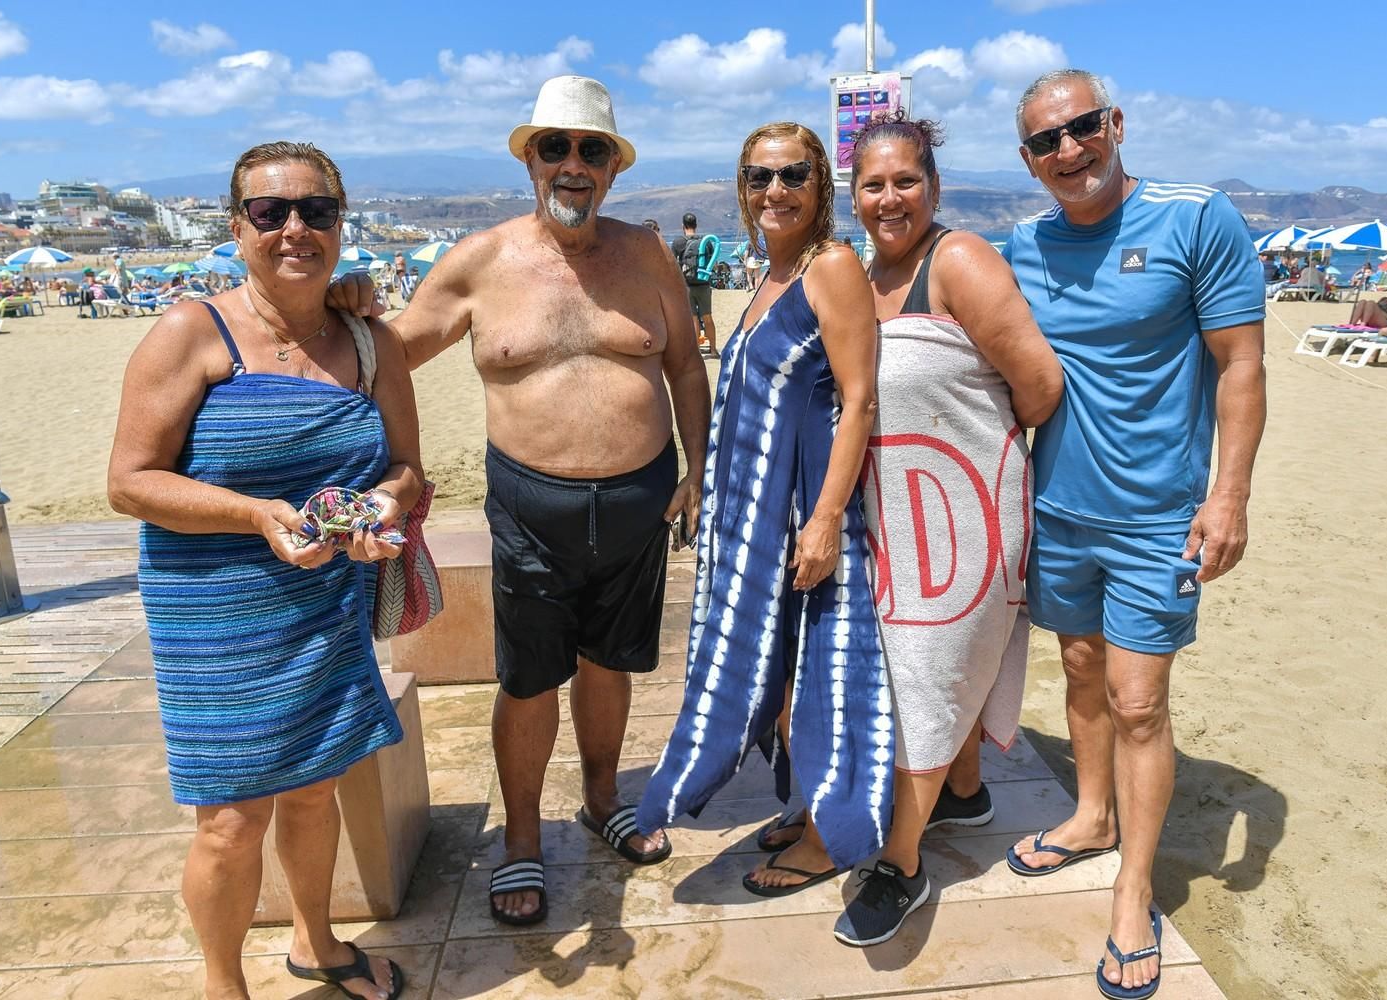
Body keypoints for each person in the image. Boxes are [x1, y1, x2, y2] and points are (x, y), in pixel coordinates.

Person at [327, 75, 710, 927]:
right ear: (529, 160)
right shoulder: (479, 260)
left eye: (592, 150)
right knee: (531, 677)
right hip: (532, 510)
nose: (573, 165)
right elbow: (392, 353)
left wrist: (696, 467)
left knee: (613, 664)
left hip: (640, 500)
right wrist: (347, 307)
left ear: (613, 168)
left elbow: (684, 362)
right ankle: (522, 839)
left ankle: (604, 798)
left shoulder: (646, 254)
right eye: (555, 148)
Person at [106, 141, 419, 1000]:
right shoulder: (189, 332)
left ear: (339, 223)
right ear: (235, 224)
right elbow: (129, 482)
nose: (294, 229)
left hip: (323, 599)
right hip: (215, 611)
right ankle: (222, 985)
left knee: (315, 792)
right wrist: (253, 514)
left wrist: (383, 508)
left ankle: (317, 945)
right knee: (231, 822)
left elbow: (406, 469)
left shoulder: (368, 338)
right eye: (270, 211)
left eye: (315, 212)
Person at [762, 109, 1059, 947]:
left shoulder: (957, 260)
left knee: (926, 675)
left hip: (964, 512)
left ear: (934, 186)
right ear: (851, 196)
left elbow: (1038, 386)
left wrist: (965, 444)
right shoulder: (861, 274)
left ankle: (901, 862)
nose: (890, 198)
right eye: (873, 185)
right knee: (908, 672)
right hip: (893, 519)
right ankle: (963, 794)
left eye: (906, 182)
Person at [1004, 70, 1267, 1000]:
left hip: (1160, 513)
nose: (1069, 151)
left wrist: (1228, 495)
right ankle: (1090, 815)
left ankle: (1132, 888)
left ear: (1115, 124)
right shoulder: (1023, 244)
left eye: (1082, 128)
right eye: (1046, 141)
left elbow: (1239, 365)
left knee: (1140, 701)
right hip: (1058, 508)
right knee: (1078, 668)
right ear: (1029, 161)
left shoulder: (1198, 218)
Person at [636, 122, 892, 899]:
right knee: (773, 672)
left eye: (791, 176)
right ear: (741, 193)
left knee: (819, 670)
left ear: (821, 187)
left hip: (808, 516)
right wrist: (700, 480)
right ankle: (807, 804)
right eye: (757, 178)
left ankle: (827, 835)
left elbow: (859, 402)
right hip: (757, 518)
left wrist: (822, 520)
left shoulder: (833, 267)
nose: (773, 191)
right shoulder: (772, 278)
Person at [672, 212, 720, 353]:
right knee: (708, 317)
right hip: (704, 285)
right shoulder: (706, 241)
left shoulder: (678, 242)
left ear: (683, 226)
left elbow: (673, 264)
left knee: (693, 319)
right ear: (696, 225)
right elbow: (713, 263)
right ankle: (712, 350)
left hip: (687, 285)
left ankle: (697, 350)